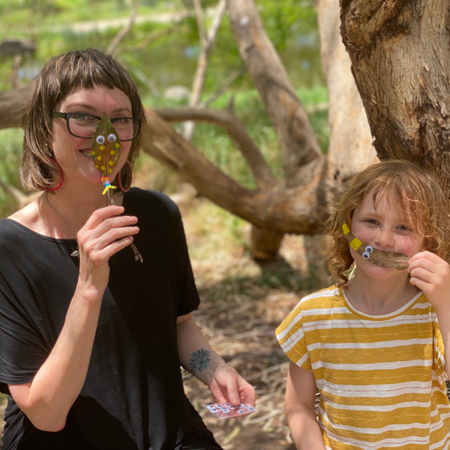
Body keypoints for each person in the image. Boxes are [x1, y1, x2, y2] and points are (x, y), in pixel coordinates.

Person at [0, 49, 255, 450]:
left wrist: (214, 368)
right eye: (83, 116)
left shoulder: (157, 214)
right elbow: (45, 413)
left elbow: (178, 323)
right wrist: (88, 287)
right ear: (44, 128)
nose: (105, 134)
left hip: (168, 433)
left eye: (119, 118)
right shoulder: (8, 250)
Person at [276, 160, 450, 449]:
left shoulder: (435, 312)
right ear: (347, 223)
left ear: (427, 244)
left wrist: (446, 305)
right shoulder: (312, 316)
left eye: (403, 227)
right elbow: (299, 406)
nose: (383, 239)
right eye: (371, 221)